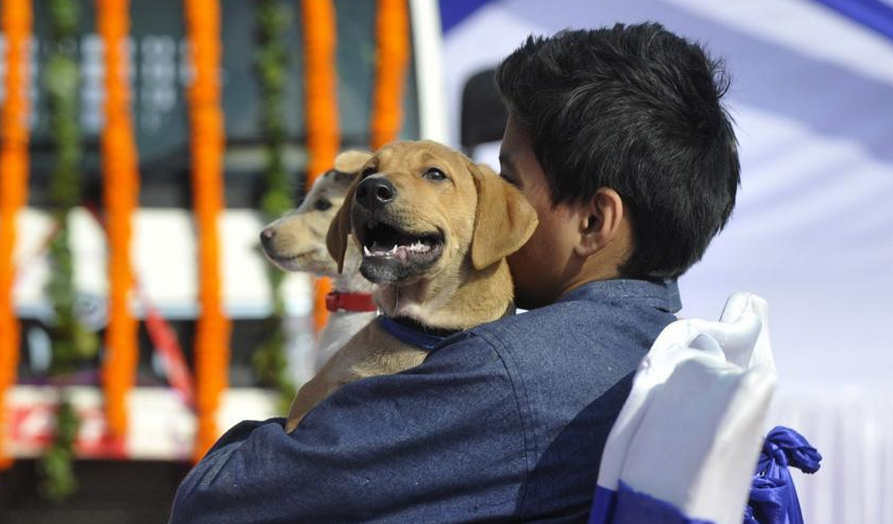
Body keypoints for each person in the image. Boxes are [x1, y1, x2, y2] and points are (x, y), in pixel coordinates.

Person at [168, 22, 739, 524]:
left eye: (508, 181)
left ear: (593, 220)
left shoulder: (506, 375)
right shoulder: (659, 343)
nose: (489, 202)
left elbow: (221, 501)